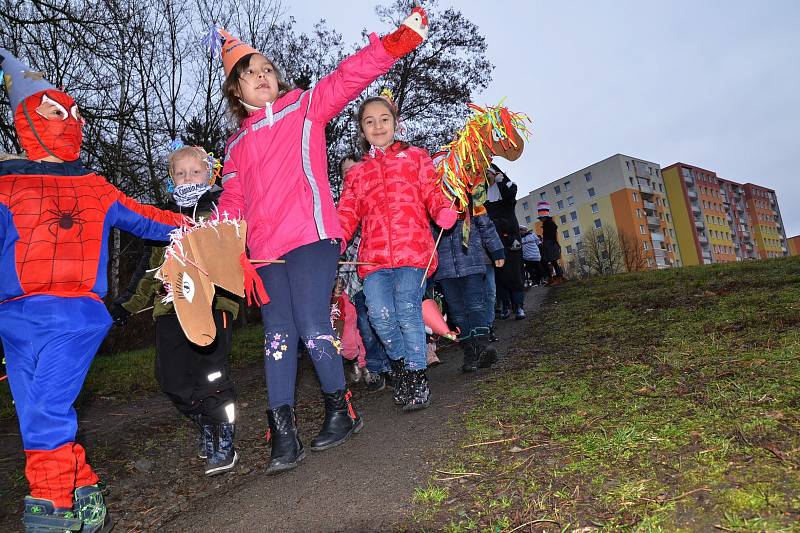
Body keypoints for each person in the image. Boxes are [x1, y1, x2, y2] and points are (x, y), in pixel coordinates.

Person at [213, 8, 430, 473]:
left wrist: (395, 43)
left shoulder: (304, 108)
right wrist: (207, 237)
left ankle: (340, 408)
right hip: (265, 252)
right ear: (236, 89)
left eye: (268, 69)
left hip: (312, 236)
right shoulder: (234, 146)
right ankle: (282, 430)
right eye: (251, 74)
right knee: (276, 336)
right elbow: (233, 200)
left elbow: (349, 76)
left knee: (313, 326)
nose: (263, 77)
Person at [0, 48, 188, 533]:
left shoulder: (94, 187)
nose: (71, 121)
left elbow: (151, 219)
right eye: (57, 112)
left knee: (46, 411)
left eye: (75, 113)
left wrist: (207, 227)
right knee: (36, 417)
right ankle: (84, 494)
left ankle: (50, 506)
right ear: (28, 118)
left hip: (73, 317)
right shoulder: (4, 186)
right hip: (15, 322)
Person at [111, 145, 240, 476]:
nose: (187, 178)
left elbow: (237, 254)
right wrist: (127, 304)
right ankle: (206, 423)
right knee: (171, 379)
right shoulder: (160, 219)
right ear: (171, 179)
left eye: (194, 172)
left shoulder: (221, 210)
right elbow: (149, 269)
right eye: (180, 173)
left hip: (213, 305)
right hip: (170, 309)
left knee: (211, 375)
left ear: (209, 173)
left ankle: (222, 434)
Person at [337, 92, 458, 411]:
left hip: (413, 251)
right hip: (373, 257)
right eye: (369, 121)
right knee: (378, 314)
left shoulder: (416, 157)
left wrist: (443, 208)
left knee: (406, 309)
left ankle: (417, 377)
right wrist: (336, 237)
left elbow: (433, 193)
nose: (377, 126)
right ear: (362, 131)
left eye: (384, 119)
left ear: (395, 122)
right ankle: (404, 365)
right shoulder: (357, 173)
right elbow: (347, 211)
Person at [337, 155, 397, 393]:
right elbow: (337, 249)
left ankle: (394, 364)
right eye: (345, 172)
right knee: (365, 325)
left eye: (355, 169)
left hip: (380, 272)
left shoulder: (378, 197)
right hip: (355, 280)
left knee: (385, 319)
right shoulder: (340, 208)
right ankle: (375, 367)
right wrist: (337, 281)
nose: (351, 175)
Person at [435, 203, 505, 372]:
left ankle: (483, 346)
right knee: (457, 313)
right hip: (445, 269)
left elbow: (485, 223)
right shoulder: (432, 201)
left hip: (471, 260)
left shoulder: (466, 196)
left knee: (476, 305)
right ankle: (469, 351)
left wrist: (496, 250)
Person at [485, 164, 526, 320]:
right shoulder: (484, 194)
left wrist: (500, 181)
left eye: (488, 173)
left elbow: (510, 195)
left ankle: (519, 306)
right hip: (494, 238)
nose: (486, 176)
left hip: (510, 236)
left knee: (515, 272)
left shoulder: (507, 186)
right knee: (499, 273)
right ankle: (505, 306)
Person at [537, 201, 565, 284]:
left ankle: (556, 278)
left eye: (541, 219)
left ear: (544, 218)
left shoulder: (549, 224)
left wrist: (545, 243)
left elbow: (550, 235)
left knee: (548, 262)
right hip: (549, 244)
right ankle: (556, 277)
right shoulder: (548, 224)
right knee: (552, 262)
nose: (540, 220)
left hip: (550, 245)